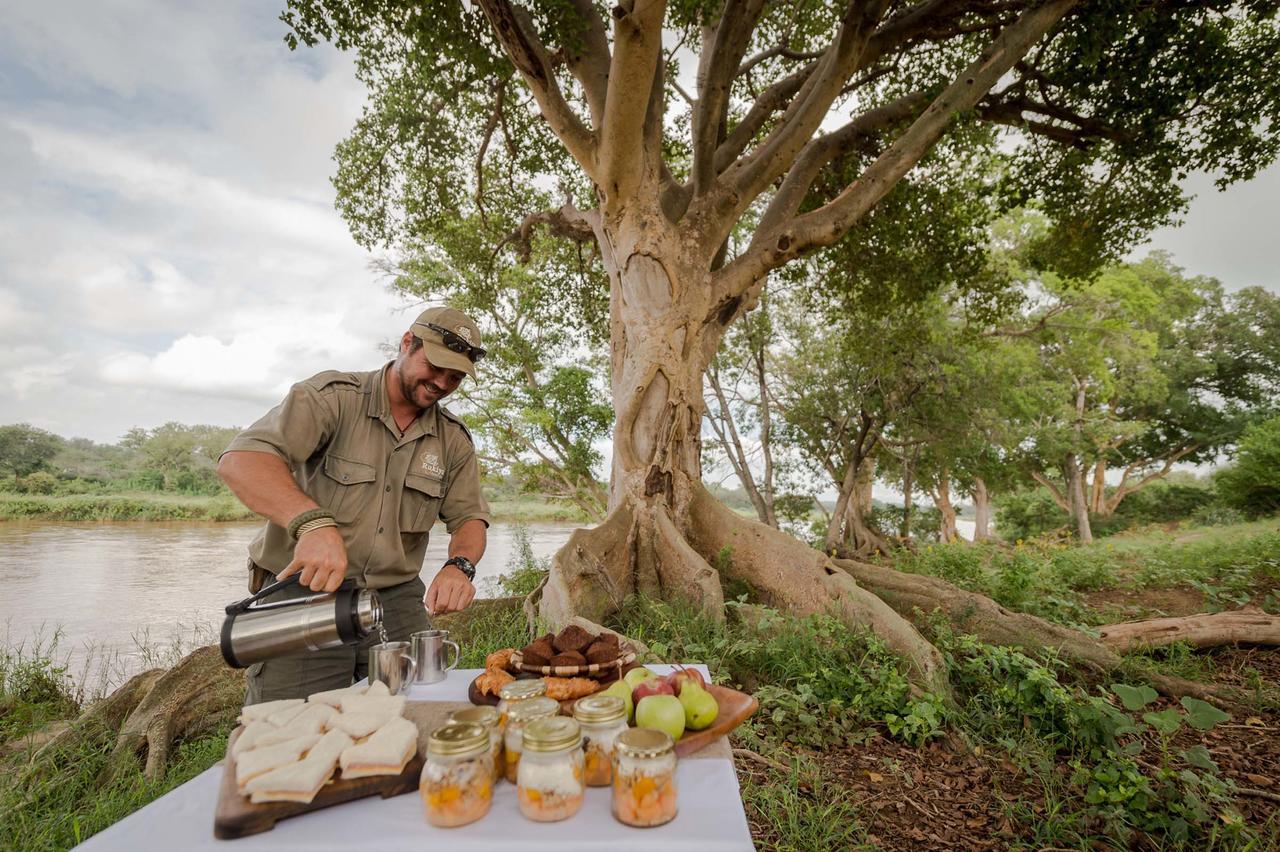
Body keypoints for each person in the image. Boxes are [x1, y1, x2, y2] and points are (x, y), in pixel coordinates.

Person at [217, 307, 490, 704]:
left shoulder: (453, 440)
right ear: (407, 343)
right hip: (306, 595)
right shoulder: (332, 400)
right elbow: (242, 460)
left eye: (456, 377)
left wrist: (459, 567)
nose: (441, 383)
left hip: (396, 603)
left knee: (417, 715)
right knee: (290, 733)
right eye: (435, 366)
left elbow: (469, 518)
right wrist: (311, 524)